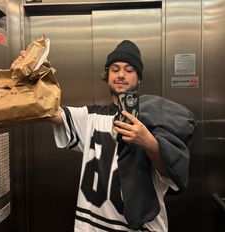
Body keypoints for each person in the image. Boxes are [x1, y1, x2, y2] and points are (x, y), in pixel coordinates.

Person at [13, 40, 196, 231]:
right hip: (92, 227)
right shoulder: (90, 117)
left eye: (129, 70)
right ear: (107, 76)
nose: (121, 75)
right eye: (115, 69)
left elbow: (172, 175)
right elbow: (46, 110)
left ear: (139, 79)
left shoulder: (157, 119)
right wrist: (30, 73)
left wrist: (148, 141)